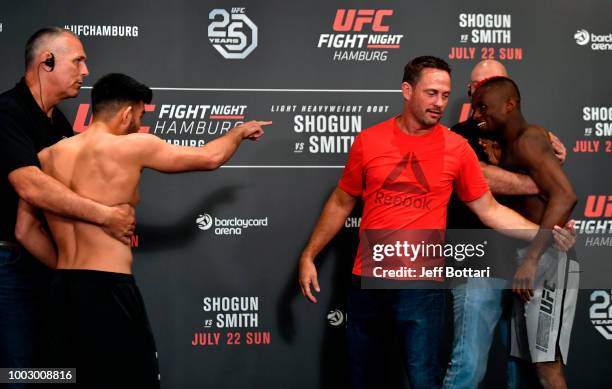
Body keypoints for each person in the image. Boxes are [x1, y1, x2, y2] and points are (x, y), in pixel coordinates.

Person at [297, 56, 571, 389]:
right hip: (369, 279)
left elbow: (489, 209)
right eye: (431, 93)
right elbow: (341, 201)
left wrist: (546, 234)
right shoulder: (369, 141)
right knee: (363, 377)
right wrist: (309, 254)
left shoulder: (456, 147)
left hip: (422, 287)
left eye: (445, 95)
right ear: (407, 90)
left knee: (425, 379)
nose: (439, 102)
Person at [14, 73, 270, 387]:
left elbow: (24, 231)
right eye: (139, 115)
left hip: (62, 289)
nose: (138, 123)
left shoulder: (46, 156)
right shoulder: (133, 146)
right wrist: (240, 131)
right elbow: (210, 157)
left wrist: (69, 272)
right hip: (110, 290)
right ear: (126, 112)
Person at [0, 27, 134, 379]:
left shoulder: (56, 122)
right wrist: (105, 216)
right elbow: (30, 185)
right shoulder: (6, 112)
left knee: (55, 371)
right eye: (78, 61)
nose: (86, 71)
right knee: (20, 374)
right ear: (46, 61)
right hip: (9, 266)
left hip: (46, 262)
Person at [443, 60, 573, 389]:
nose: (480, 94)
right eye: (475, 87)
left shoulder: (529, 137)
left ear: (508, 96)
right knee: (469, 363)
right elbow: (481, 178)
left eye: (490, 85)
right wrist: (540, 182)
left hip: (530, 260)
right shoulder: (460, 135)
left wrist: (542, 243)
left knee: (536, 365)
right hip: (480, 262)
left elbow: (563, 196)